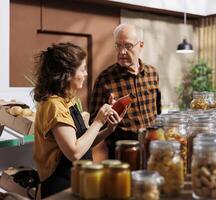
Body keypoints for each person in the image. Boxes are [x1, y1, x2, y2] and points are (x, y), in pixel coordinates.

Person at [33, 43, 124, 198]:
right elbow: (74, 152)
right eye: (82, 69)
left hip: (77, 181)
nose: (86, 73)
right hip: (60, 187)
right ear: (67, 74)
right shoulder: (54, 105)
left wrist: (108, 129)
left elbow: (83, 145)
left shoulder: (69, 101)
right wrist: (98, 122)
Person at [89, 23, 161, 159]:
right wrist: (108, 115)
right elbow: (93, 124)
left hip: (152, 149)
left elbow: (158, 112)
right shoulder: (105, 79)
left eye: (128, 46)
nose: (122, 52)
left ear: (141, 45)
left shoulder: (153, 73)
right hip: (121, 153)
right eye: (118, 45)